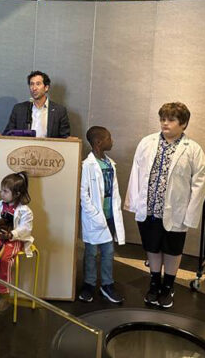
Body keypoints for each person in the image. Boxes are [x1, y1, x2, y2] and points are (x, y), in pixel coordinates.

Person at [125, 102, 205, 308]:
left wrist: (191, 214)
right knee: (152, 246)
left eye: (171, 120)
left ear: (183, 124)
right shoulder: (147, 142)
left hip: (175, 210)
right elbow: (136, 173)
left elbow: (200, 184)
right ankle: (154, 283)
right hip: (150, 208)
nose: (165, 123)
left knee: (172, 249)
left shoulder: (193, 150)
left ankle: (168, 286)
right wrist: (133, 201)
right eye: (163, 118)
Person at [78, 126, 125, 304]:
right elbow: (84, 194)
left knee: (108, 251)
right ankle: (89, 284)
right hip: (94, 217)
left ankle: (107, 285)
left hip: (110, 216)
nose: (111, 141)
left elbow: (113, 192)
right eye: (109, 138)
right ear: (99, 142)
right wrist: (96, 215)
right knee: (90, 252)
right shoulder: (87, 165)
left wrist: (109, 214)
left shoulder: (109, 163)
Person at [3, 71, 70, 138]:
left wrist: (69, 139)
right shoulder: (19, 109)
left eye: (38, 84)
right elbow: (8, 134)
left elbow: (65, 138)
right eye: (32, 84)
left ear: (46, 87)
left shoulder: (59, 111)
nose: (34, 88)